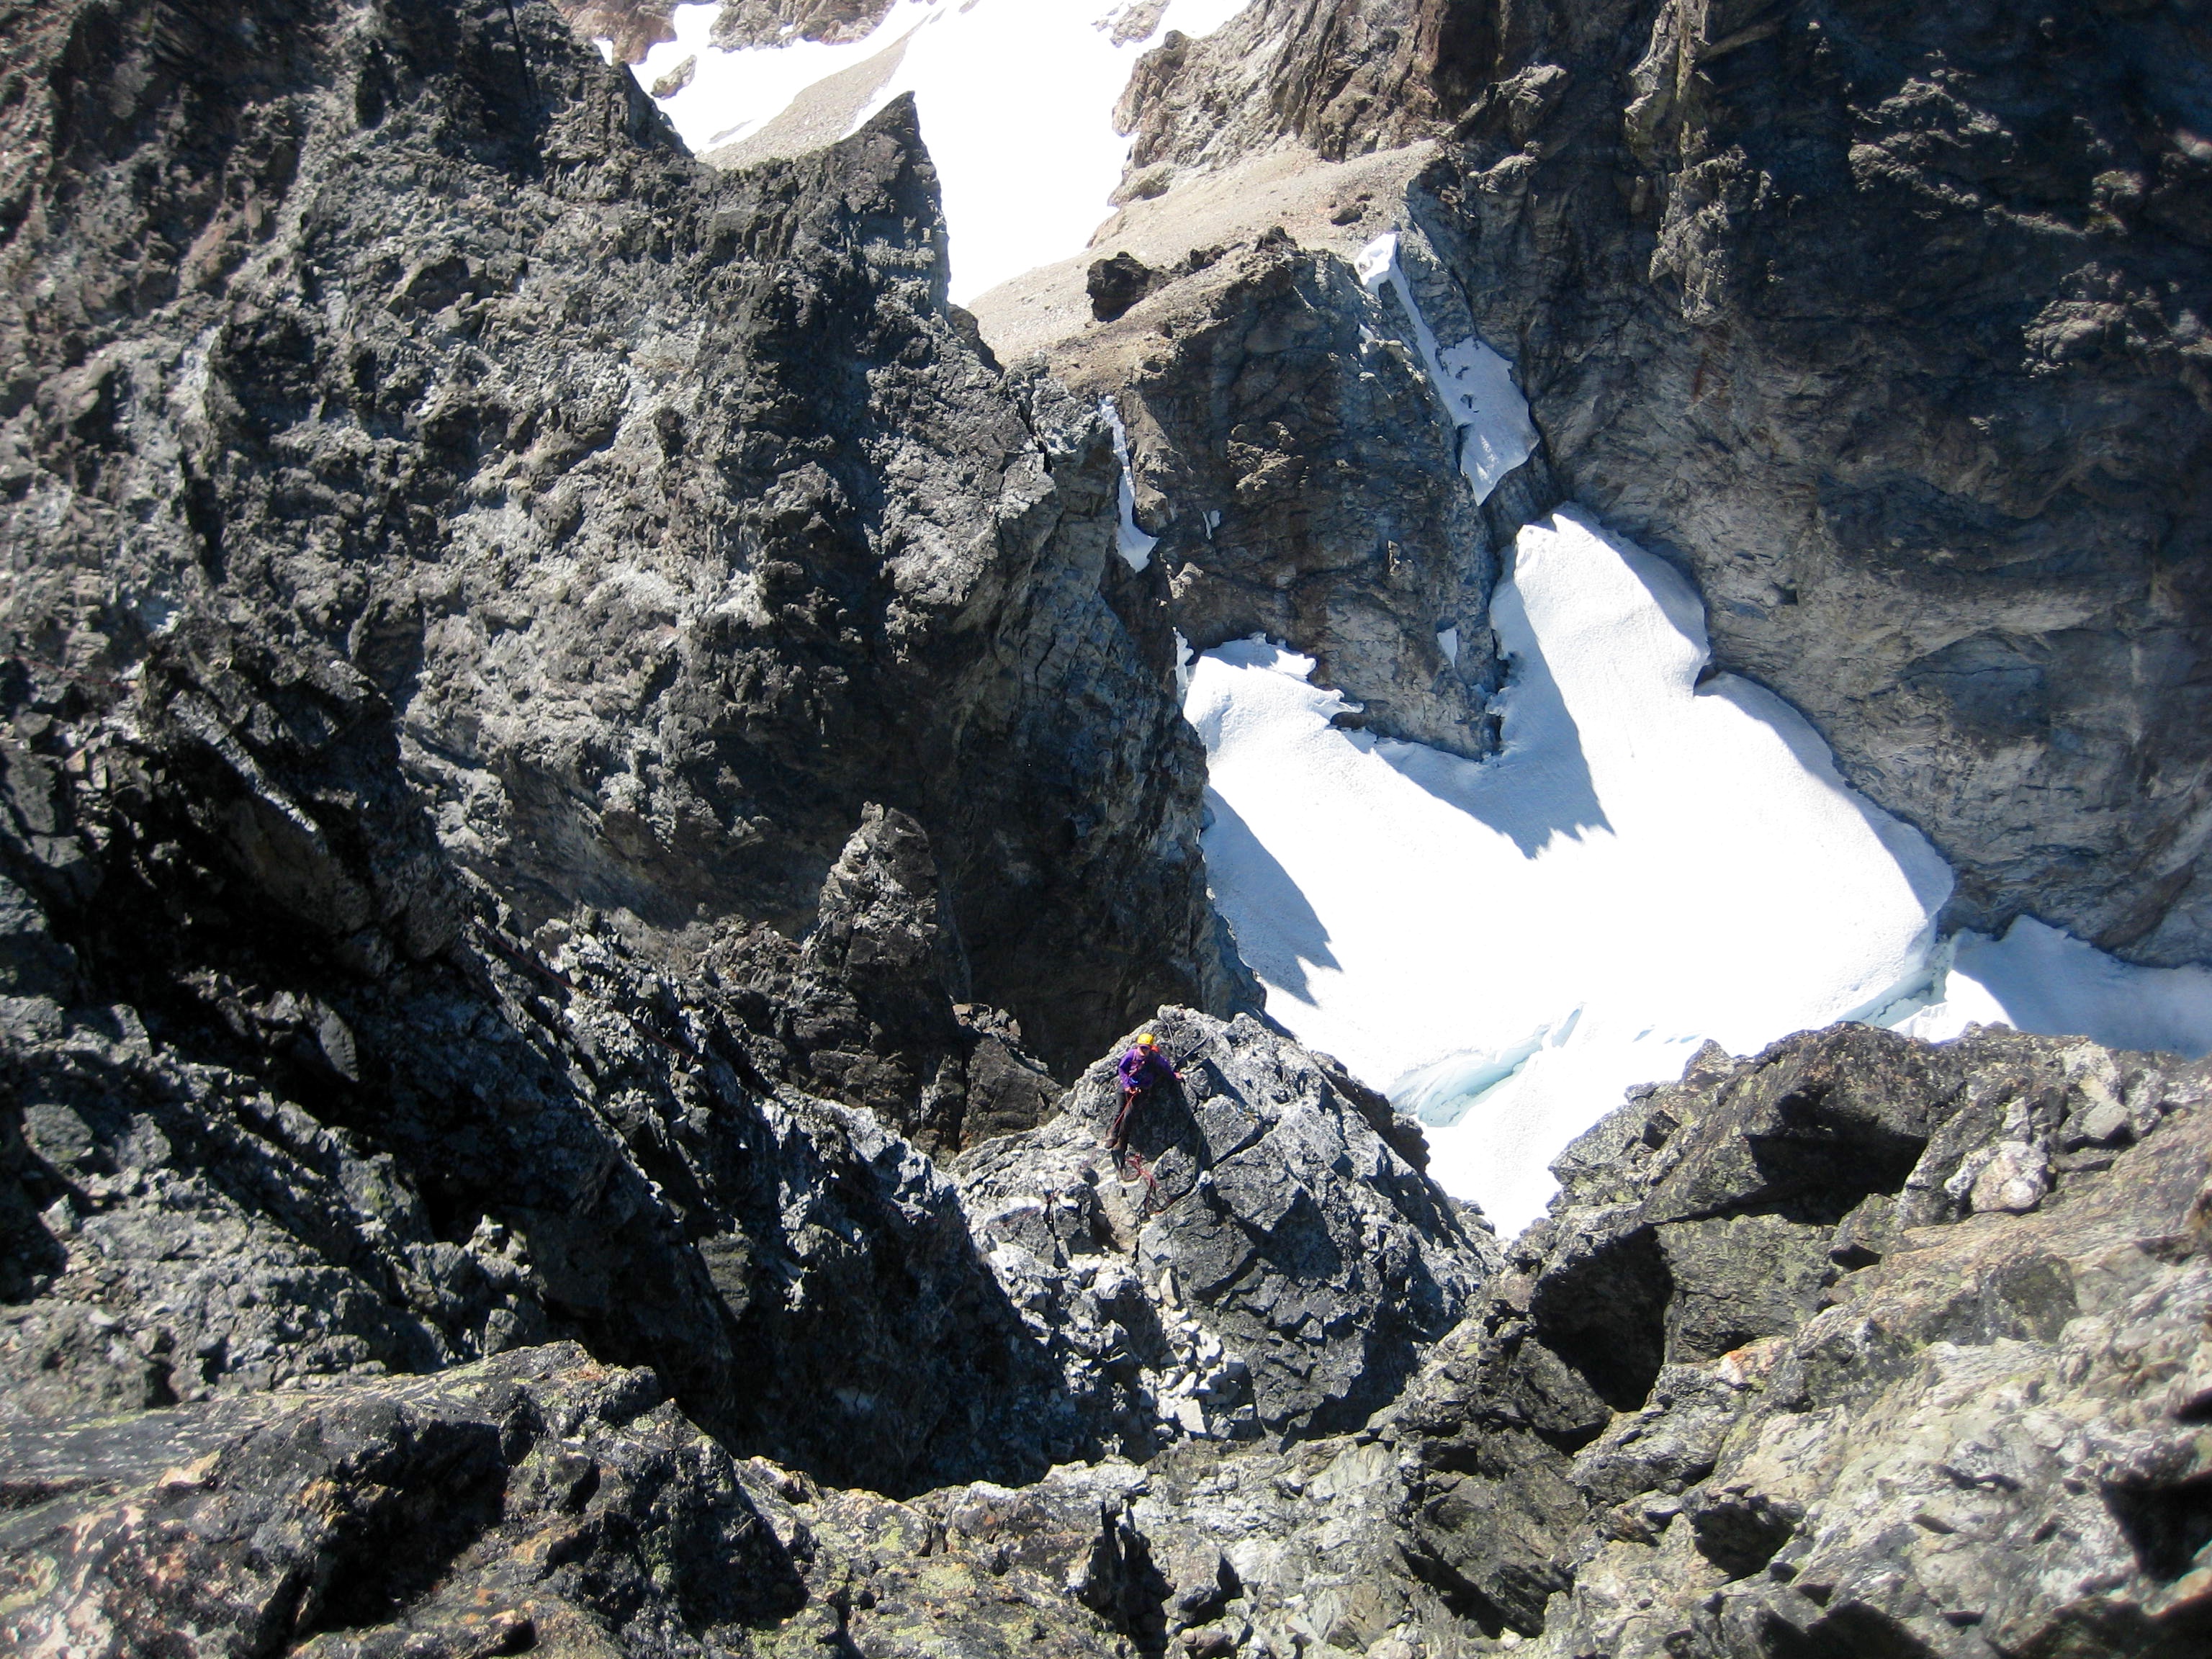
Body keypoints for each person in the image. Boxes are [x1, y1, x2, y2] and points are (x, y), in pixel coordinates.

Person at [1108, 1031, 1179, 1152]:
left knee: (1128, 1117)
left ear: (1150, 1048)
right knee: (1118, 1112)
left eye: (1146, 1048)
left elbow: (1165, 1067)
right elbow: (1122, 1068)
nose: (1144, 1050)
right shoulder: (1132, 1055)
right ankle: (1113, 1136)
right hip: (1127, 1087)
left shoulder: (1154, 1058)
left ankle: (1122, 1141)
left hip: (1140, 1091)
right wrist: (1126, 1085)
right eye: (1142, 1048)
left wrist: (1173, 1075)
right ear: (1138, 1046)